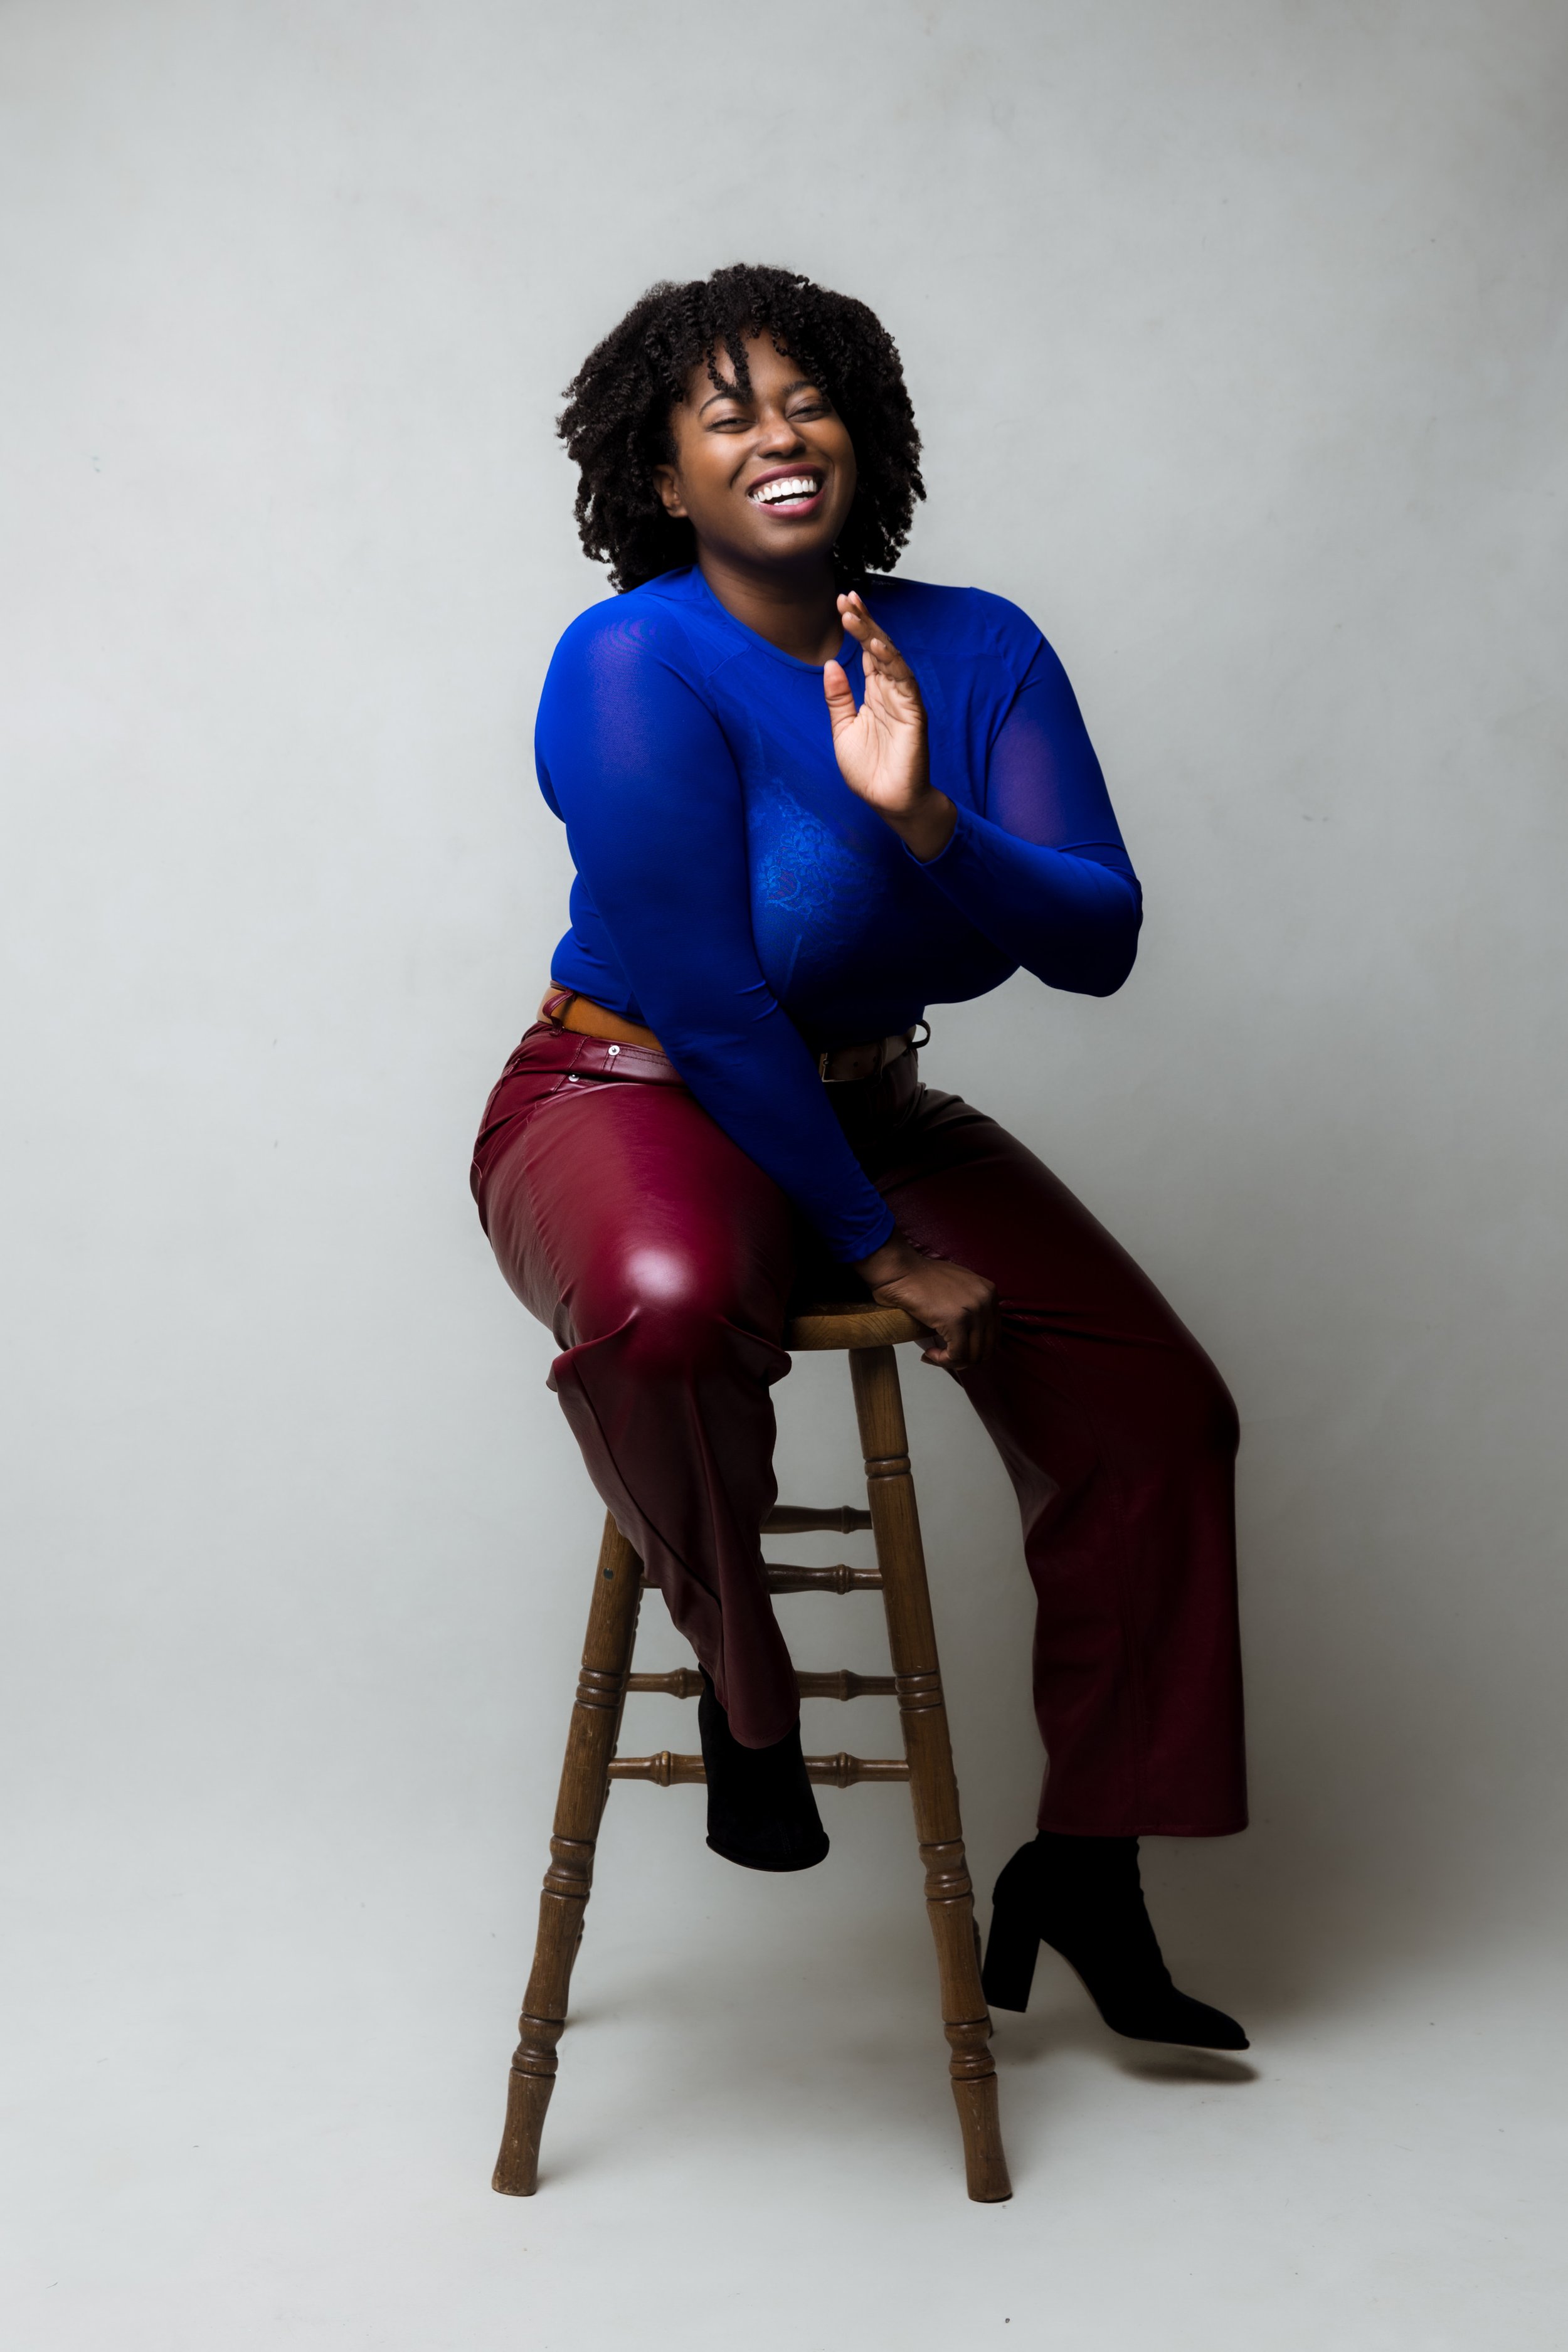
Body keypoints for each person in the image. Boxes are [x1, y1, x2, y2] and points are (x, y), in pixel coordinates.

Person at [472, 264, 1248, 2050]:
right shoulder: (631, 658)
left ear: (862, 429)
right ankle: (748, 1696)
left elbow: (1099, 941)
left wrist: (930, 819)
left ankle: (1087, 1865)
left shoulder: (976, 649)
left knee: (1155, 1415)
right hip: (632, 1095)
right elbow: (705, 994)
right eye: (725, 412)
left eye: (805, 397)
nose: (779, 435)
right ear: (662, 472)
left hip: (873, 1104)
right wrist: (881, 1253)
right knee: (670, 1311)